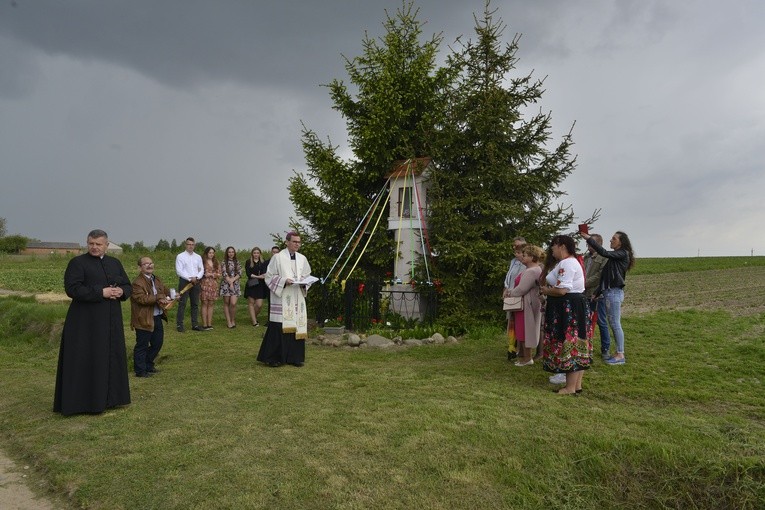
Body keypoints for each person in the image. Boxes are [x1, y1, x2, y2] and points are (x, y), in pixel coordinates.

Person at [53, 229, 131, 415]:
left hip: (111, 321)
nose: (94, 247)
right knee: (87, 359)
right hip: (85, 324)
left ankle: (111, 399)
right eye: (91, 244)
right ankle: (84, 403)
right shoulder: (77, 263)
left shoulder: (115, 263)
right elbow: (72, 289)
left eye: (98, 244)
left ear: (106, 245)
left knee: (110, 356)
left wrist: (121, 292)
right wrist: (100, 292)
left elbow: (127, 285)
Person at [539, 234, 592, 395]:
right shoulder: (569, 262)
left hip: (569, 308)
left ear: (561, 246)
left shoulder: (567, 263)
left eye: (553, 247)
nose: (551, 250)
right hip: (573, 305)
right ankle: (576, 386)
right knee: (577, 342)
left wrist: (546, 290)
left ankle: (570, 387)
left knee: (571, 342)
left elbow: (562, 290)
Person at [257, 232, 313, 367]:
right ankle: (274, 358)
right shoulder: (278, 258)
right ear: (287, 242)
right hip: (282, 297)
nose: (297, 244)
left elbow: (307, 275)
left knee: (296, 326)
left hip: (297, 297)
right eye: (294, 242)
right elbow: (269, 277)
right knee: (279, 326)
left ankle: (295, 357)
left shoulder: (302, 258)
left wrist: (305, 282)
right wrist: (283, 281)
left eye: (299, 242)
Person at [583, 231, 635, 365]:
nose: (611, 240)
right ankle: (618, 353)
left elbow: (604, 253)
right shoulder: (615, 257)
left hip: (614, 293)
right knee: (612, 323)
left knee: (615, 323)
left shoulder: (623, 253)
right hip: (608, 292)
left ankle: (620, 354)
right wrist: (598, 292)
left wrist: (589, 238)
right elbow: (606, 277)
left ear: (621, 242)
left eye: (614, 239)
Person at [130, 256, 171, 378]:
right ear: (140, 267)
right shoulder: (137, 283)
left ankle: (148, 365)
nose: (149, 265)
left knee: (157, 343)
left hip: (157, 316)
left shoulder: (156, 278)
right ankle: (140, 371)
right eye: (146, 264)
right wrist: (159, 297)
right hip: (143, 318)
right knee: (142, 345)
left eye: (151, 263)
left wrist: (173, 295)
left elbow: (164, 291)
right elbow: (141, 299)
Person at [508, 245, 545, 366]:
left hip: (526, 304)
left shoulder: (532, 271)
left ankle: (527, 358)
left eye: (525, 255)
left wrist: (510, 293)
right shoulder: (533, 270)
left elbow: (521, 289)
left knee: (525, 329)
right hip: (526, 303)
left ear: (532, 257)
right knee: (523, 329)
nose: (522, 257)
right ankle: (524, 356)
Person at [582, 234, 608, 358]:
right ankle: (586, 347)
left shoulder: (604, 258)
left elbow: (599, 276)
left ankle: (605, 348)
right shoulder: (586, 257)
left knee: (601, 322)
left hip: (596, 294)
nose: (588, 245)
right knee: (586, 322)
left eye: (590, 243)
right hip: (584, 293)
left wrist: (583, 283)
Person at [502, 236, 526, 360]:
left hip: (520, 296)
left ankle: (522, 350)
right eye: (513, 246)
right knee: (511, 321)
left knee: (520, 323)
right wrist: (505, 289)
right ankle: (512, 346)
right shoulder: (513, 261)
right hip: (510, 295)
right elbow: (509, 277)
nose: (514, 248)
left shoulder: (526, 263)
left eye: (517, 246)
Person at [175, 237, 204, 332]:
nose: (190, 246)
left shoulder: (198, 257)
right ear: (185, 245)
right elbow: (179, 271)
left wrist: (197, 277)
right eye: (189, 244)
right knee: (182, 303)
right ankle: (179, 325)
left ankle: (195, 324)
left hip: (196, 282)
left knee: (195, 304)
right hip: (185, 281)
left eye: (192, 244)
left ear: (194, 245)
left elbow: (201, 269)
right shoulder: (180, 256)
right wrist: (189, 278)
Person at [244, 247, 268, 326]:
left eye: (257, 253)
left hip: (261, 285)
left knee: (259, 304)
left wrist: (263, 276)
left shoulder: (263, 261)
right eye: (254, 253)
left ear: (260, 254)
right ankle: (254, 321)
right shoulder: (248, 262)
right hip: (252, 283)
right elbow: (248, 274)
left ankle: (253, 317)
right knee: (251, 303)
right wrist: (258, 277)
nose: (256, 255)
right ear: (252, 254)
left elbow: (266, 272)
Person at [220, 246, 242, 328]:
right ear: (227, 253)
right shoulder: (223, 262)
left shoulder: (237, 262)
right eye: (229, 252)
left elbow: (239, 273)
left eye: (232, 252)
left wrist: (232, 281)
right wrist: (230, 282)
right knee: (226, 303)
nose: (231, 253)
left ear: (234, 253)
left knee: (233, 303)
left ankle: (233, 320)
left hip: (235, 285)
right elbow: (224, 273)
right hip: (226, 284)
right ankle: (228, 321)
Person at [200, 246, 220, 330]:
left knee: (211, 304)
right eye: (210, 253)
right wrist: (205, 274)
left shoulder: (216, 262)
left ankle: (209, 323)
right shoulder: (202, 262)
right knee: (204, 303)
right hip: (204, 284)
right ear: (206, 253)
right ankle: (204, 324)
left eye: (212, 253)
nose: (211, 254)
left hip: (213, 285)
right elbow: (199, 272)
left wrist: (212, 274)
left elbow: (219, 274)